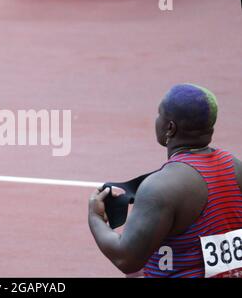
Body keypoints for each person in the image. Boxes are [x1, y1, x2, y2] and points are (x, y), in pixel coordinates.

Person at [88, 84, 242, 278]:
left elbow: (125, 259)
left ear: (170, 127)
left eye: (158, 114)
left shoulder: (162, 187)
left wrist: (95, 217)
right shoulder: (234, 165)